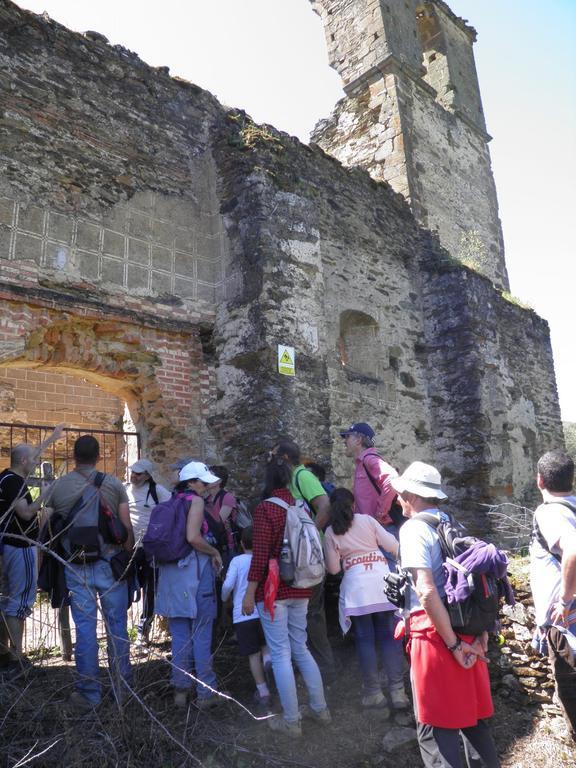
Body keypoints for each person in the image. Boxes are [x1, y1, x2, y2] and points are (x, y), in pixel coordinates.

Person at [394, 461, 500, 768]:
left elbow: (426, 591)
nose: (398, 498)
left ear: (411, 494)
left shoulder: (413, 528)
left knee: (434, 728)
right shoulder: (450, 523)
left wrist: (453, 646)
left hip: (435, 636)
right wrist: (479, 633)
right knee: (473, 722)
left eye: (401, 493)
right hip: (466, 629)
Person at [242, 455, 331, 736]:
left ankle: (291, 721)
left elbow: (260, 557)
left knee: (280, 653)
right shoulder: (299, 508)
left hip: (274, 592)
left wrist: (249, 593)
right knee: (301, 648)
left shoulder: (266, 509)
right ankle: (320, 709)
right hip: (302, 588)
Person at [49, 435, 134, 710]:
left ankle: (89, 694)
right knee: (117, 627)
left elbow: (46, 527)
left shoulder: (58, 487)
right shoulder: (113, 484)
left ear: (74, 457)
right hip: (109, 562)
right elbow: (126, 530)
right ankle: (123, 690)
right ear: (98, 456)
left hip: (76, 565)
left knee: (85, 629)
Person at [324, 488, 408, 711]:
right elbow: (393, 546)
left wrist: (349, 561)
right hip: (381, 584)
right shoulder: (367, 521)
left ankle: (373, 693)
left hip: (356, 590)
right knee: (389, 637)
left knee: (364, 640)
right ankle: (398, 691)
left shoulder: (331, 531)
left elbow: (332, 569)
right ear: (353, 505)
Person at [154, 461, 224, 709]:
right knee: (201, 634)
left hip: (172, 575)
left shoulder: (170, 501)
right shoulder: (195, 502)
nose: (206, 487)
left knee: (180, 635)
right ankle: (206, 692)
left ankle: (180, 692)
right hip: (195, 574)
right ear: (192, 483)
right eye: (203, 482)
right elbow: (193, 537)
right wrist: (214, 551)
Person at [0, 424, 63, 675]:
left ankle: (5, 653)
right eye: (34, 461)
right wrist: (45, 495)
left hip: (8, 545)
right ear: (23, 461)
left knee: (5, 600)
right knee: (19, 600)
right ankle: (17, 659)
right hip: (19, 545)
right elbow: (25, 513)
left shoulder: (7, 476)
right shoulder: (14, 482)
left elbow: (30, 452)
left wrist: (52, 438)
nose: (38, 463)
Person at [273, 441, 336, 683]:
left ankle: (325, 670)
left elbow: (325, 506)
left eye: (274, 455)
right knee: (300, 614)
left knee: (312, 614)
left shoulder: (302, 476)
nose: (271, 459)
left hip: (308, 557)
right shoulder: (284, 482)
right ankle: (307, 666)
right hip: (293, 558)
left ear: (285, 456)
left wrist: (307, 537)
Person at [529, 450, 576, 739]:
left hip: (567, 623)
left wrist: (564, 600)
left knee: (571, 694)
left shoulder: (549, 511)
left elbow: (572, 549)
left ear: (540, 480)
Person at [221, 526, 271, 710]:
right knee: (266, 644)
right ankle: (269, 661)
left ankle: (263, 691)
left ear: (241, 543)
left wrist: (224, 598)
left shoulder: (237, 561)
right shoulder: (263, 559)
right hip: (264, 610)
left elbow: (228, 585)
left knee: (252, 655)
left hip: (242, 615)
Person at [126, 458, 171, 648]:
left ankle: (143, 632)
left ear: (147, 475)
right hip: (129, 548)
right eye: (133, 472)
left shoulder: (158, 491)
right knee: (126, 589)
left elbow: (172, 510)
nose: (134, 476)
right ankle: (120, 630)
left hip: (151, 549)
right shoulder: (124, 489)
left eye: (139, 473)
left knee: (150, 591)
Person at [340, 423, 398, 528]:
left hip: (382, 528)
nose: (345, 441)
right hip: (373, 528)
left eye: (348, 437)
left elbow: (392, 478)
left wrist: (380, 514)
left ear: (358, 440)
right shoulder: (362, 462)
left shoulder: (369, 459)